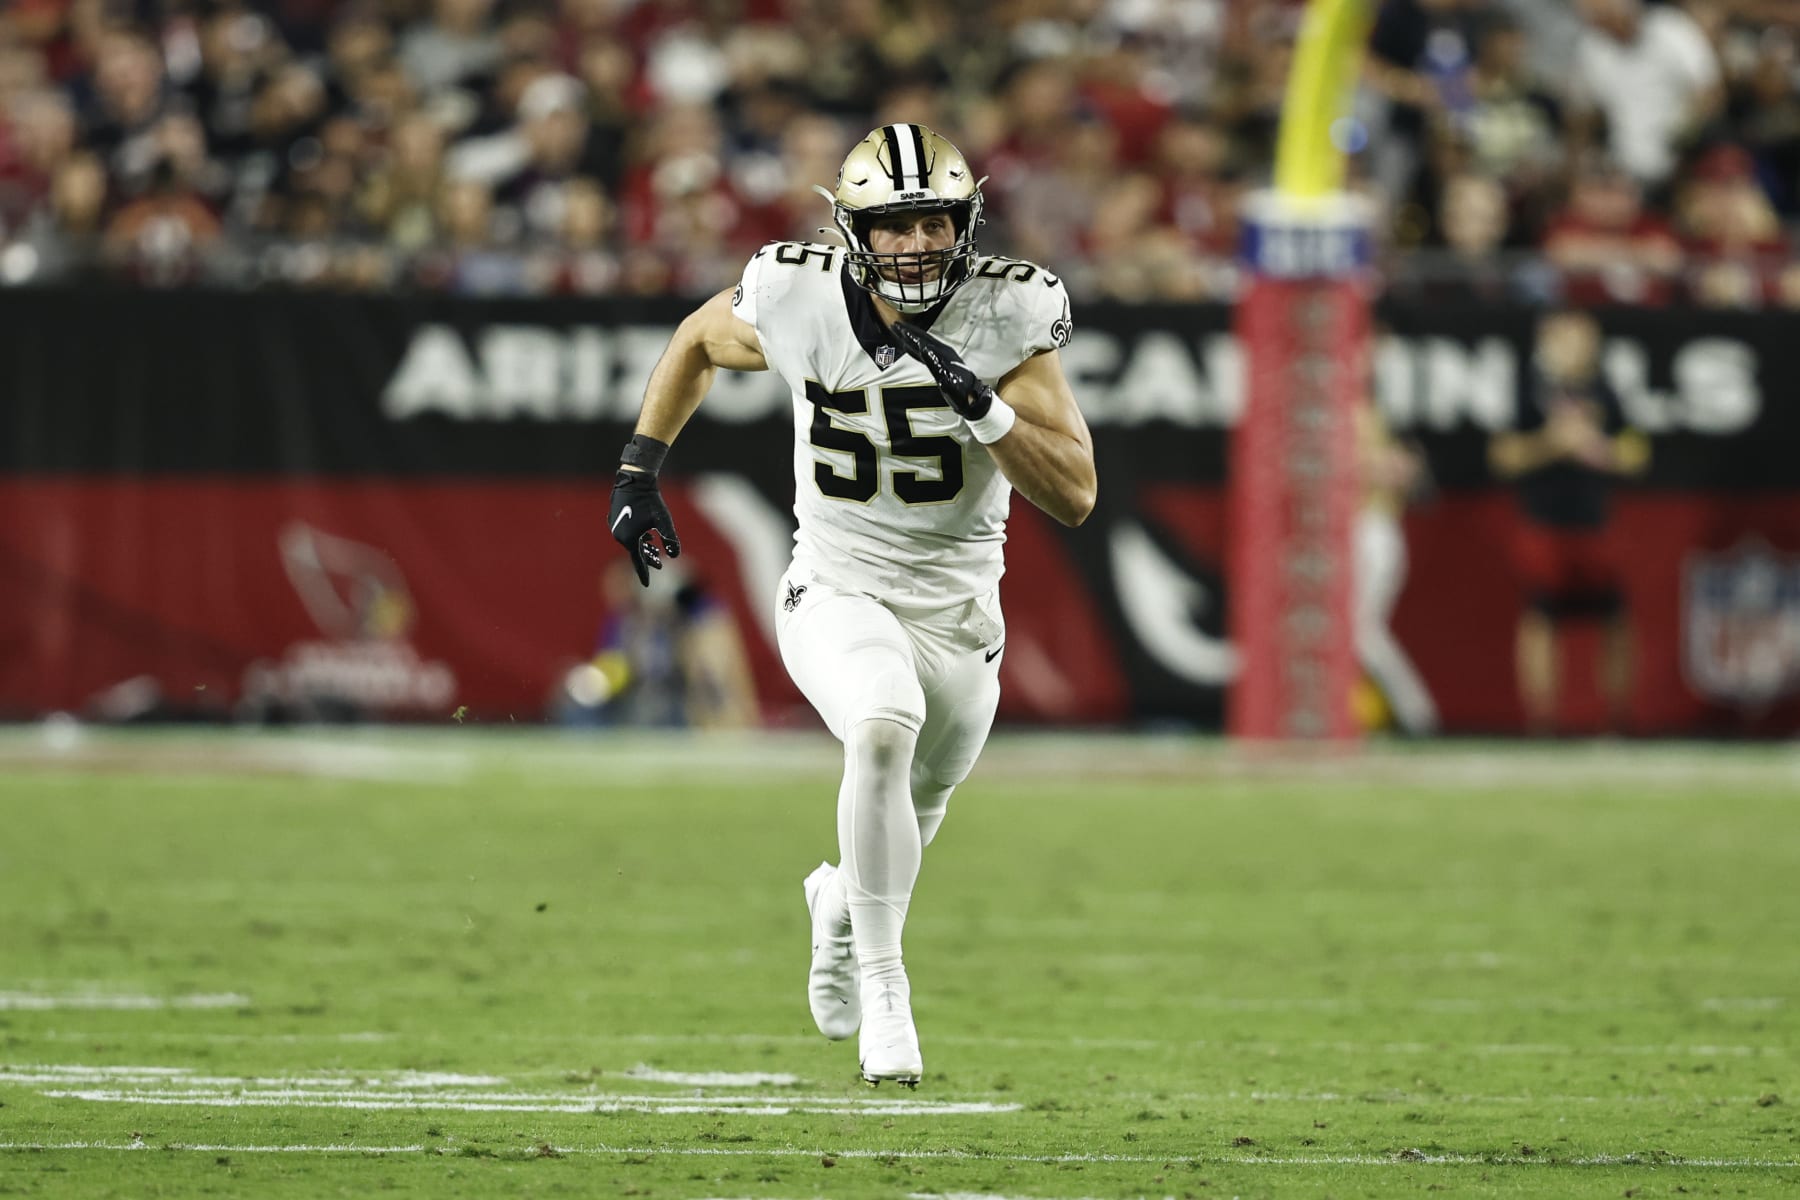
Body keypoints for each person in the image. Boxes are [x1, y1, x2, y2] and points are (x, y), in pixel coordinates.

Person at [606, 124, 1095, 1087]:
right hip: (835, 583)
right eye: (893, 226)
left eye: (934, 222)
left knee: (917, 803)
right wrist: (638, 467)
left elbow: (1075, 493)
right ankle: (885, 987)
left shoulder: (1010, 310)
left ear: (965, 223)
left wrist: (985, 407)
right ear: (851, 231)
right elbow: (699, 338)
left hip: (960, 612)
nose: (915, 244)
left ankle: (836, 903)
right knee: (880, 724)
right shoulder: (797, 291)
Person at [1489, 309, 1650, 735]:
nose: (1579, 346)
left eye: (1584, 338)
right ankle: (1541, 720)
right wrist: (1553, 443)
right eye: (1569, 337)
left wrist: (1602, 451)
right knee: (1540, 616)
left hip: (1594, 524)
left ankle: (1618, 719)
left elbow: (1637, 452)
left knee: (1615, 616)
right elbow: (1502, 457)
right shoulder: (1528, 388)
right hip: (1543, 522)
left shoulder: (1604, 389)